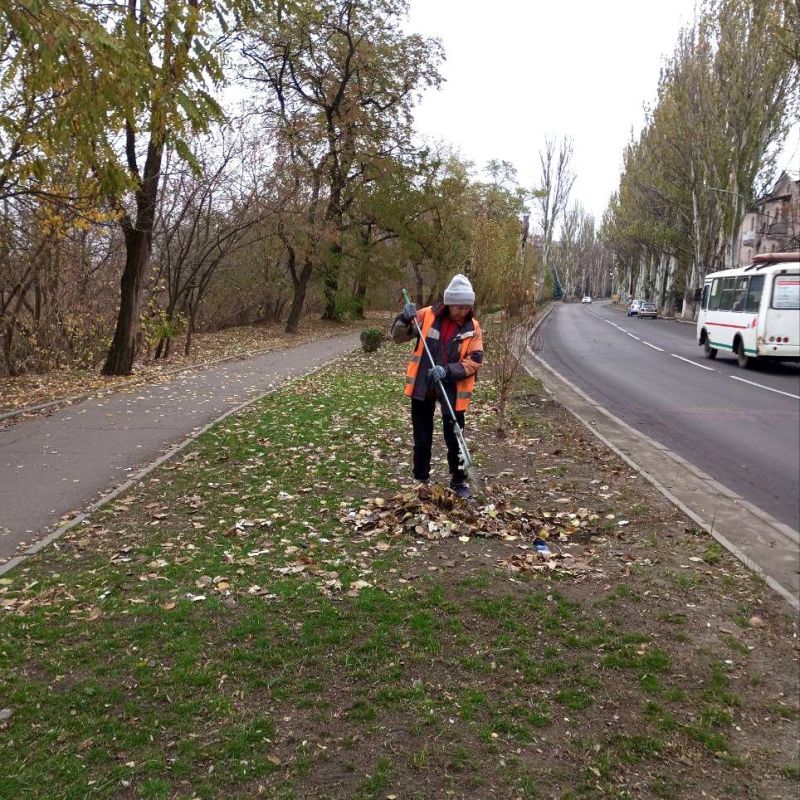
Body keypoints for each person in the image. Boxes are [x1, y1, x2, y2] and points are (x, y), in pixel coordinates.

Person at [391, 274, 484, 498]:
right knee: (422, 437)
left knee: (455, 437)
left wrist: (448, 371)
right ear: (449, 303)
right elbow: (397, 337)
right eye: (459, 307)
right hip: (423, 385)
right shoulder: (427, 315)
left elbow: (475, 360)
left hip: (453, 389)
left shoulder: (473, 327)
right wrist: (404, 319)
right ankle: (421, 478)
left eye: (466, 306)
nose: (463, 311)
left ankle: (459, 481)